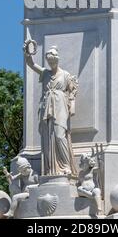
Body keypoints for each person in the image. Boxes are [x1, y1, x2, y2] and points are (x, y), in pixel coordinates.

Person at [23, 40, 78, 176]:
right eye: (49, 62)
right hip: (47, 106)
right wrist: (28, 53)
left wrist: (72, 107)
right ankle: (51, 168)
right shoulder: (45, 73)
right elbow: (31, 64)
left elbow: (72, 91)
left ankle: (65, 165)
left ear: (57, 60)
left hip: (60, 105)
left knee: (60, 135)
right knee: (48, 137)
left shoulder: (65, 75)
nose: (50, 64)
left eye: (52, 61)